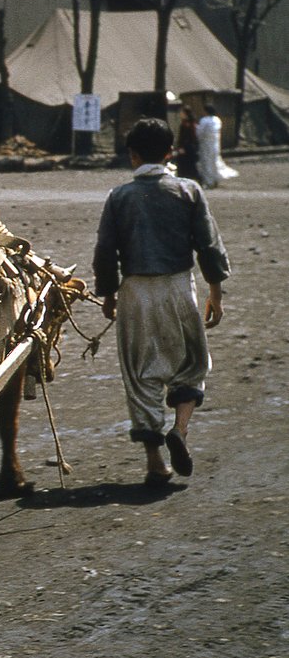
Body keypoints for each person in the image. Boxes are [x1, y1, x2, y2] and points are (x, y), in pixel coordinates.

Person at [92, 117, 230, 488]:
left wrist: (108, 294)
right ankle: (180, 431)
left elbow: (106, 250)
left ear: (132, 156)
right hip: (178, 287)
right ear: (170, 152)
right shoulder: (188, 190)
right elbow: (209, 244)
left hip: (136, 291)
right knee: (192, 363)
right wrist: (215, 291)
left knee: (140, 375)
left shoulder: (118, 197)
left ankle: (155, 463)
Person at [195, 104, 238, 189]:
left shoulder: (204, 120)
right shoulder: (217, 120)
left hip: (205, 144)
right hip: (215, 144)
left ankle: (208, 181)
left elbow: (200, 133)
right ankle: (215, 179)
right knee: (214, 161)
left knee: (206, 163)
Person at [172, 105, 201, 183]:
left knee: (186, 165)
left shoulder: (187, 124)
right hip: (188, 147)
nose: (180, 114)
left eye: (181, 112)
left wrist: (182, 147)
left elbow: (187, 137)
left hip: (186, 147)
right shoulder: (189, 123)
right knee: (189, 165)